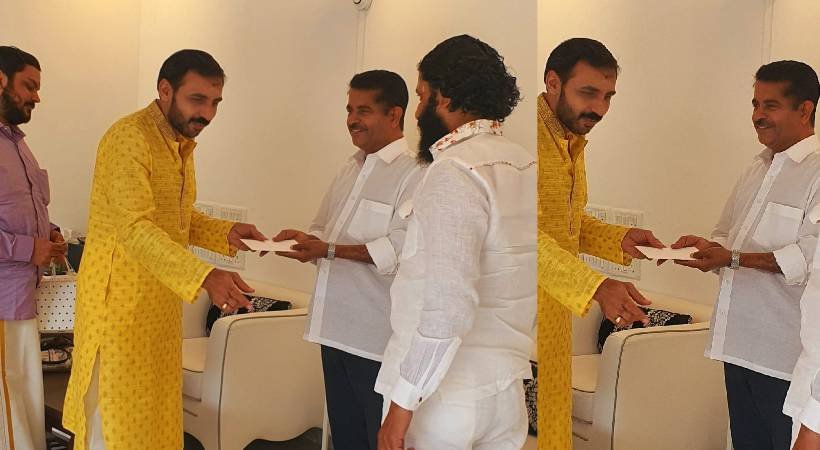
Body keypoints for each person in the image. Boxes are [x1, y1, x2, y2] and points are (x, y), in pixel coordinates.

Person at [63, 49, 266, 449]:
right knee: (116, 422)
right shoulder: (129, 138)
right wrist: (206, 275)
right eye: (197, 99)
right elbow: (136, 228)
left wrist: (227, 233)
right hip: (119, 310)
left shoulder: (178, 144)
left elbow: (177, 218)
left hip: (160, 306)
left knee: (155, 418)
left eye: (215, 102)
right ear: (165, 90)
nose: (207, 113)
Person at [375, 34, 536, 450]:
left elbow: (448, 307)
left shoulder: (455, 171)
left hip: (442, 401)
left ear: (443, 98)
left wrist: (402, 404)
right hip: (505, 394)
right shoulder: (527, 164)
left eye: (421, 96)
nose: (417, 111)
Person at [672, 60, 820, 450]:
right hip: (736, 347)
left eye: (770, 105)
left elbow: (808, 259)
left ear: (804, 109)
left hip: (786, 359)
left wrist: (732, 258)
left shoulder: (817, 172)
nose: (757, 115)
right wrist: (707, 250)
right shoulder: (755, 169)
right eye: (755, 104)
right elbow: (726, 235)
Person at [273, 69, 421, 450]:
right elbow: (323, 232)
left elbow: (399, 249)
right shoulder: (348, 168)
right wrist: (306, 243)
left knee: (377, 440)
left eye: (363, 110)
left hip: (376, 342)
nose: (352, 120)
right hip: (332, 331)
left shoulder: (416, 173)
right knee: (346, 439)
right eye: (349, 110)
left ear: (394, 115)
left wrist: (328, 250)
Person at [536, 37, 663, 446]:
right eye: (588, 93)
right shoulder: (524, 140)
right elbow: (517, 234)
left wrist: (620, 239)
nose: (600, 108)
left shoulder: (570, 139)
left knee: (553, 426)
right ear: (553, 82)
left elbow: (565, 224)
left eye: (608, 96)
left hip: (553, 311)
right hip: (510, 310)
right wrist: (596, 286)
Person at [0, 45, 64, 450]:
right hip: (3, 301)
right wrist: (28, 249)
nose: (37, 97)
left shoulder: (18, 144)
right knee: (8, 411)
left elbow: (24, 208)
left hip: (23, 298)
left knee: (23, 401)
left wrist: (51, 234)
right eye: (29, 86)